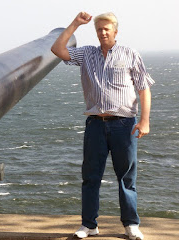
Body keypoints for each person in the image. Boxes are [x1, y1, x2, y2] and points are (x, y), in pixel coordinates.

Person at [51, 12, 154, 240]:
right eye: (99, 29)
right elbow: (58, 50)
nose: (103, 32)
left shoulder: (130, 54)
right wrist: (76, 23)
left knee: (127, 177)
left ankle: (131, 225)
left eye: (107, 29)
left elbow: (144, 87)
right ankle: (89, 225)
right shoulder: (87, 53)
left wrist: (144, 120)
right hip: (96, 124)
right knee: (90, 177)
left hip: (124, 124)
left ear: (115, 31)